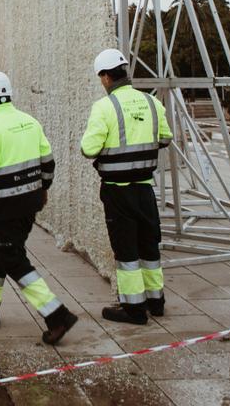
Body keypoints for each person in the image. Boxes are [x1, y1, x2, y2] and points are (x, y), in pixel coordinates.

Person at [0, 70, 78, 345]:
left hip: (6, 207)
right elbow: (48, 163)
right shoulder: (29, 122)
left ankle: (56, 315)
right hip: (30, 202)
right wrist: (44, 188)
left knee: (11, 256)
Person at [80, 49, 172, 324]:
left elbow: (88, 148)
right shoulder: (151, 102)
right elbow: (165, 137)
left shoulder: (104, 107)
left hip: (118, 191)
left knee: (126, 250)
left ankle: (133, 308)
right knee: (149, 245)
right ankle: (156, 301)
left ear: (106, 77)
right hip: (144, 188)